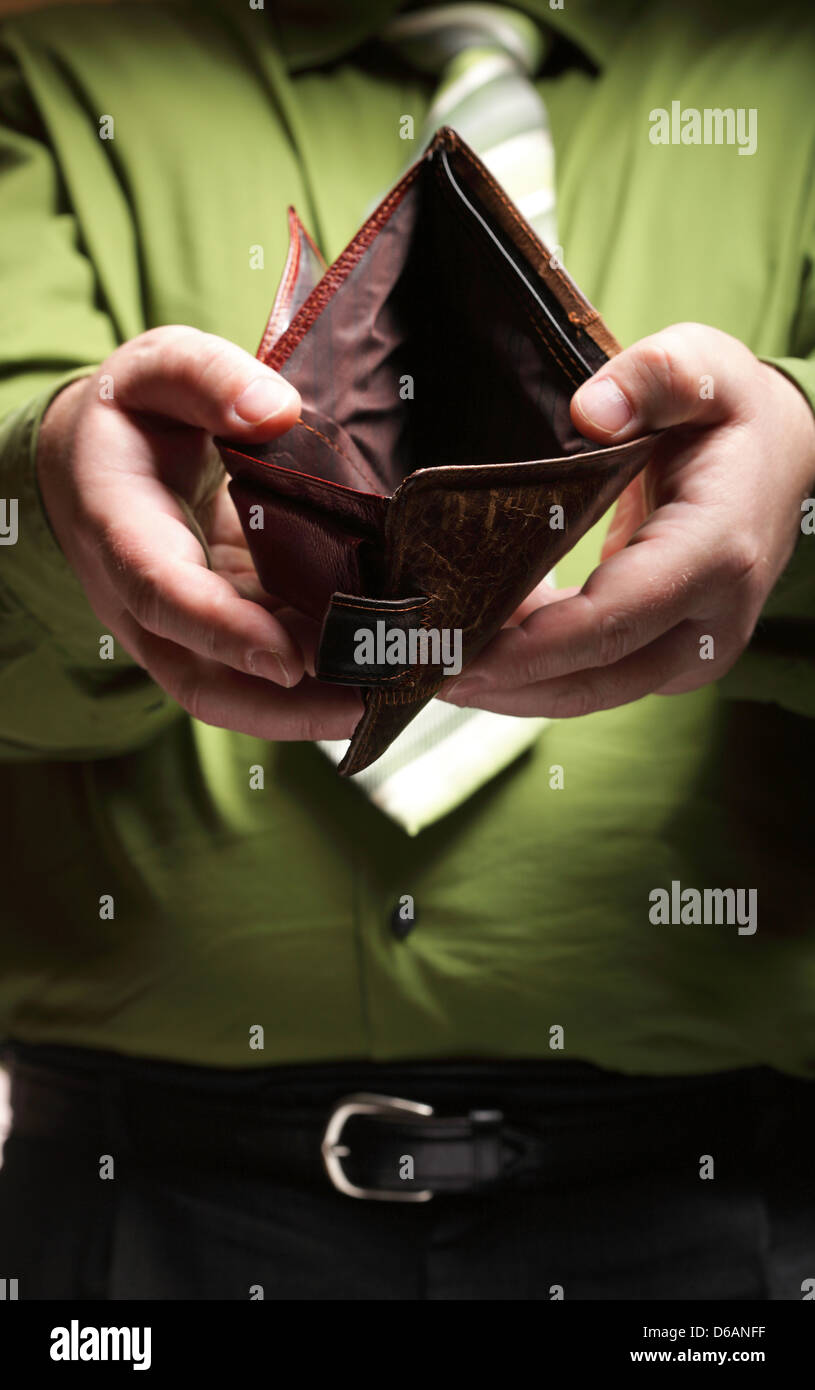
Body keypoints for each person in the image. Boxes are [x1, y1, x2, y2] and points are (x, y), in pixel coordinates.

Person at [0, 0, 814, 1301]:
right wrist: (48, 483)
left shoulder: (794, 68)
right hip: (141, 1204)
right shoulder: (49, 68)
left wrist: (801, 469)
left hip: (714, 1198)